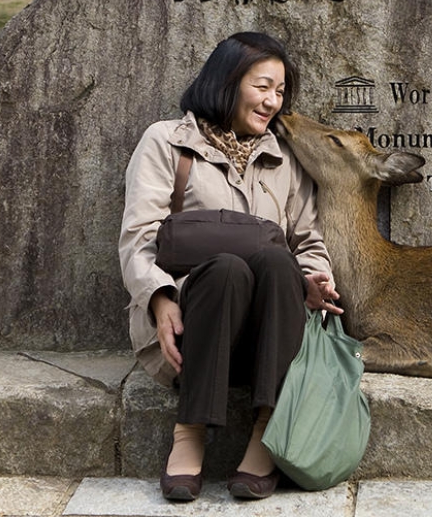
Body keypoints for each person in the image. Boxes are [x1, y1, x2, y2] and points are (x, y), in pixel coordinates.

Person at [119, 32, 342, 502]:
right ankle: (189, 430)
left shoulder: (284, 158)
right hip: (190, 330)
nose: (272, 102)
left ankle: (267, 430)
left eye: (280, 92)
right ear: (226, 80)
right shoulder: (167, 142)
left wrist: (314, 279)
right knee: (225, 268)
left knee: (277, 260)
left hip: (269, 336)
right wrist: (160, 300)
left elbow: (308, 240)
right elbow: (138, 238)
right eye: (262, 87)